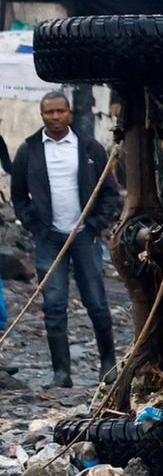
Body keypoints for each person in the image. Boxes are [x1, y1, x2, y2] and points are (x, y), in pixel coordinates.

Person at [10, 91, 119, 387]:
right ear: (42, 115)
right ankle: (62, 373)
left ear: (69, 113)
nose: (56, 117)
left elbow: (109, 193)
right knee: (54, 305)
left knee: (96, 301)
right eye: (50, 112)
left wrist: (95, 224)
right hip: (49, 238)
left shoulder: (90, 148)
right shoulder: (29, 150)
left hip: (84, 236)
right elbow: (18, 196)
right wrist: (35, 226)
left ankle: (108, 364)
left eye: (60, 111)